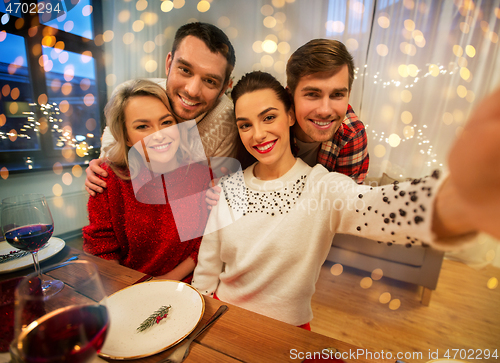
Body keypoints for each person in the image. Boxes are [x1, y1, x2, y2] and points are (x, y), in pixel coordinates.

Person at [192, 71, 498, 330]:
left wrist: (467, 197)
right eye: (245, 124)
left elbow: (383, 209)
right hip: (223, 320)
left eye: (268, 117)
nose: (257, 134)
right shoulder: (229, 188)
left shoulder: (324, 187)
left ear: (288, 116)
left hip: (288, 334)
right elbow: (206, 272)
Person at [84, 22, 238, 196]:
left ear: (225, 87)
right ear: (169, 63)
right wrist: (98, 170)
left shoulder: (228, 117)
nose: (192, 90)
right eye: (185, 70)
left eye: (210, 81)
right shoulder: (133, 98)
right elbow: (108, 164)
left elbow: (213, 187)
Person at [82, 79, 210, 282]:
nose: (159, 135)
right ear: (126, 137)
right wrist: (131, 286)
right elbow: (101, 247)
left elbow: (204, 242)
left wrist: (165, 281)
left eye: (166, 122)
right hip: (125, 284)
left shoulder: (199, 175)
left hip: (186, 285)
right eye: (143, 126)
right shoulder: (106, 179)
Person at [287, 39, 369, 184]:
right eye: (312, 94)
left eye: (337, 95)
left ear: (348, 94)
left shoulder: (352, 134)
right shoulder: (272, 122)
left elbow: (345, 201)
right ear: (290, 95)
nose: (325, 111)